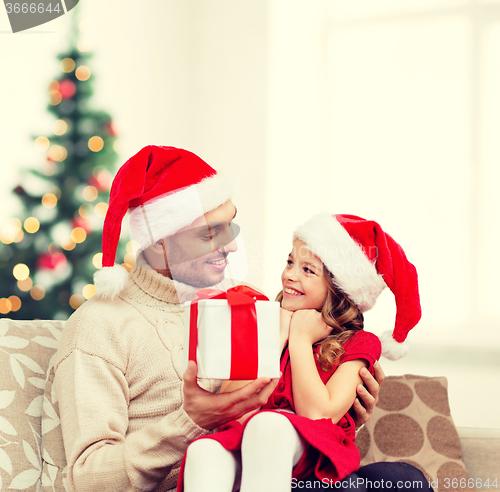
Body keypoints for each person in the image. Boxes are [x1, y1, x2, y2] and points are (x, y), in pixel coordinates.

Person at [54, 146, 382, 492]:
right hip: (201, 478)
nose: (233, 246)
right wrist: (190, 422)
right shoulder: (100, 326)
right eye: (210, 234)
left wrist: (343, 417)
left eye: (230, 225)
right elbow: (87, 480)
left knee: (401, 480)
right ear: (160, 243)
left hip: (275, 475)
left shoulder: (248, 298)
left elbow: (297, 408)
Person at [178, 213, 424, 492]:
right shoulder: (265, 323)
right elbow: (232, 407)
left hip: (311, 453)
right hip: (250, 444)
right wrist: (279, 334)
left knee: (269, 425)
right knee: (204, 451)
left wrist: (299, 340)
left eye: (308, 270)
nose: (290, 275)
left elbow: (318, 415)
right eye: (290, 262)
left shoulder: (360, 343)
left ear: (339, 288)